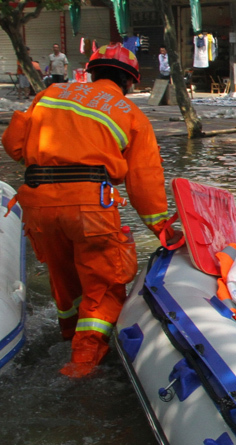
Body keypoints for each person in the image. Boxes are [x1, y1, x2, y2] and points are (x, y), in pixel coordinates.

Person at [2, 43, 179, 378]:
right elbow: (144, 183)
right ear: (130, 82)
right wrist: (163, 230)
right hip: (90, 208)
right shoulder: (130, 113)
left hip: (38, 203)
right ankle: (82, 365)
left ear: (91, 72)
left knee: (64, 280)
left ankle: (68, 337)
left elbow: (13, 144)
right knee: (105, 283)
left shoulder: (51, 92)